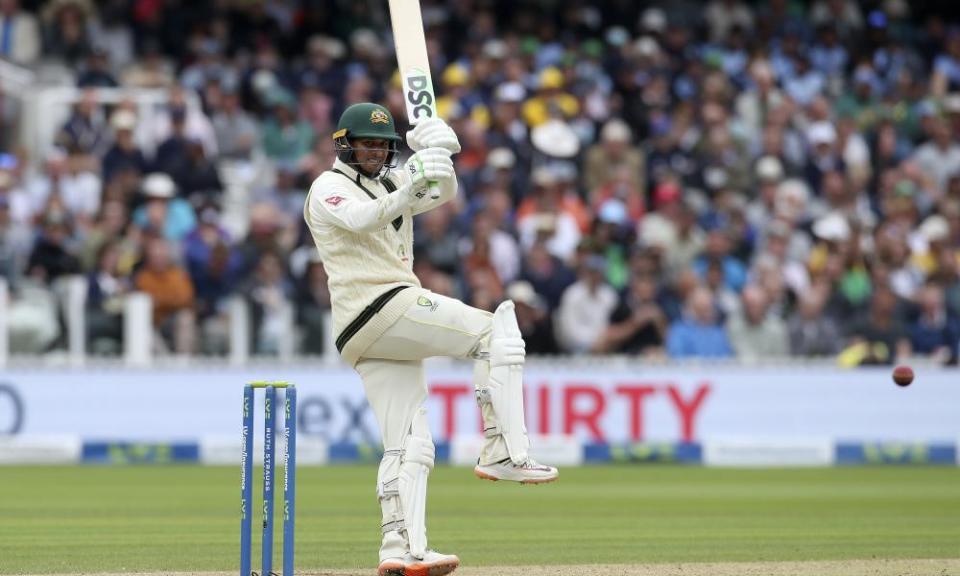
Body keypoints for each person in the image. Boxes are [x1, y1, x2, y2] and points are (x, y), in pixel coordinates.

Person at [303, 103, 558, 576]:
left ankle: (401, 549)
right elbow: (364, 219)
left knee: (409, 443)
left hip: (371, 332)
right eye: (367, 143)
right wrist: (414, 181)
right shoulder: (328, 187)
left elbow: (438, 194)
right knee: (493, 329)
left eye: (383, 144)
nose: (377, 151)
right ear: (345, 144)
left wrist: (440, 156)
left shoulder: (393, 181)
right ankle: (502, 449)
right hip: (376, 306)